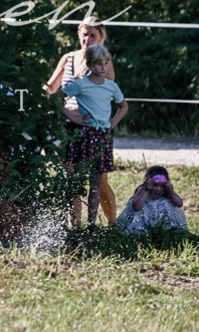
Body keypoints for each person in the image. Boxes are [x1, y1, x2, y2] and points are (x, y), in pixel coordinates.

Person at [44, 15, 119, 223]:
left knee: (100, 180)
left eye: (93, 35)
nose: (87, 39)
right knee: (71, 177)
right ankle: (74, 225)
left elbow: (107, 93)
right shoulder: (68, 58)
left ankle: (113, 225)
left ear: (101, 37)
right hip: (68, 124)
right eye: (85, 34)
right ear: (79, 34)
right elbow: (51, 87)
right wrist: (39, 97)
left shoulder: (104, 61)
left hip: (94, 125)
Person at [54, 44, 129, 225]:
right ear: (89, 64)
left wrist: (113, 122)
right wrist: (73, 116)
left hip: (102, 136)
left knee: (97, 180)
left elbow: (124, 106)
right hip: (84, 135)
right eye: (98, 64)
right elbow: (57, 96)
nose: (103, 68)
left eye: (106, 63)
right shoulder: (80, 84)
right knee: (78, 176)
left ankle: (92, 223)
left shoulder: (111, 87)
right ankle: (75, 221)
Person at [115, 166, 188, 235]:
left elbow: (179, 204)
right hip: (142, 224)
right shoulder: (143, 189)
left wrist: (171, 192)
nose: (158, 189)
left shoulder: (167, 192)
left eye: (162, 186)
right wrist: (146, 190)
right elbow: (136, 207)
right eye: (155, 185)